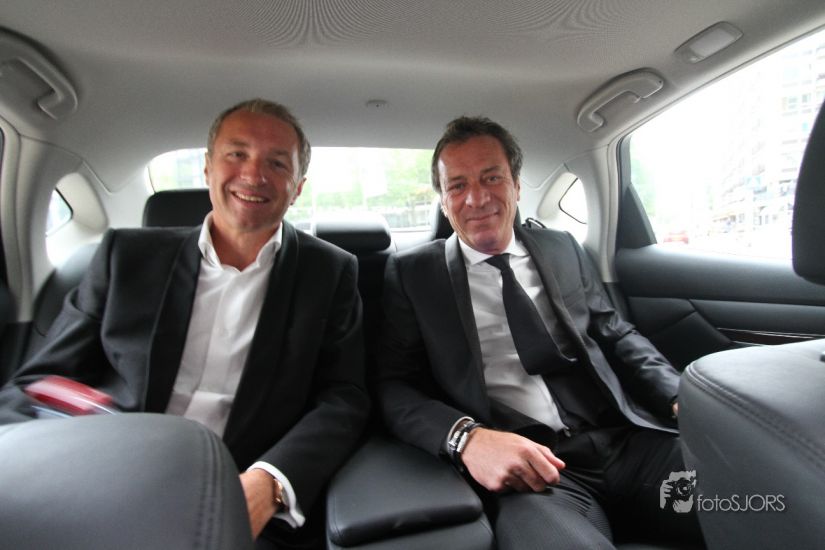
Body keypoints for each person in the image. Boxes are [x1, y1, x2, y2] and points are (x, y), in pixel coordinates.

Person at [0, 99, 369, 549]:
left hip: (238, 491)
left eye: (277, 163)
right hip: (104, 477)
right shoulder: (125, 257)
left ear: (297, 188)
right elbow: (37, 383)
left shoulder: (329, 272)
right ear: (207, 168)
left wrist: (271, 481)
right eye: (237, 154)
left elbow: (344, 398)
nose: (254, 174)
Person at [376, 116, 702, 548]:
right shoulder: (413, 274)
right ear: (443, 200)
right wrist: (466, 438)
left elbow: (615, 332)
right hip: (529, 472)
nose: (477, 198)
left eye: (492, 177)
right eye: (457, 185)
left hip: (625, 441)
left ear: (516, 184)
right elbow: (394, 385)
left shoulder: (562, 247)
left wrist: (679, 395)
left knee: (762, 500)